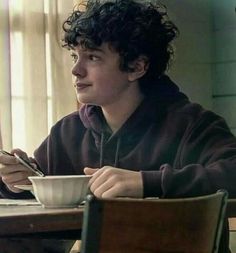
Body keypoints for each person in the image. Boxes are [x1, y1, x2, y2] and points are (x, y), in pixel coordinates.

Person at [0, 0, 236, 252]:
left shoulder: (192, 124)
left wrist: (146, 184)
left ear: (136, 66)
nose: (76, 70)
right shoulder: (68, 132)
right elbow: (40, 188)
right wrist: (20, 182)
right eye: (74, 56)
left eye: (92, 57)